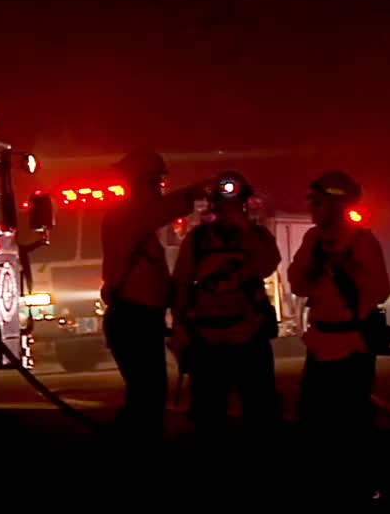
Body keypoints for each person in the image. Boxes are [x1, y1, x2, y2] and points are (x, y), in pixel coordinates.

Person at [288, 171, 390, 500]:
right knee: (314, 420)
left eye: (317, 203)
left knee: (354, 422)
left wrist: (349, 269)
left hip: (352, 346)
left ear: (334, 205)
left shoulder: (363, 242)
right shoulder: (312, 240)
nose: (312, 209)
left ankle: (360, 484)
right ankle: (322, 482)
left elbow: (381, 290)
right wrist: (317, 263)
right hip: (320, 342)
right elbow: (298, 284)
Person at [101, 149, 207, 440]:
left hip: (139, 318)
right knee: (147, 393)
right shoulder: (126, 216)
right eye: (156, 182)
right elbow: (161, 210)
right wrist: (197, 191)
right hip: (133, 319)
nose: (160, 188)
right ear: (140, 182)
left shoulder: (137, 226)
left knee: (146, 394)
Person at [170, 171, 283, 441]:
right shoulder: (197, 240)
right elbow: (182, 284)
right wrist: (179, 328)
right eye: (224, 203)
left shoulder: (258, 237)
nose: (229, 208)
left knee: (261, 411)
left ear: (244, 204)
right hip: (208, 341)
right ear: (214, 205)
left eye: (235, 202)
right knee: (208, 415)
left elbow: (267, 264)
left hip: (249, 335)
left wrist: (245, 230)